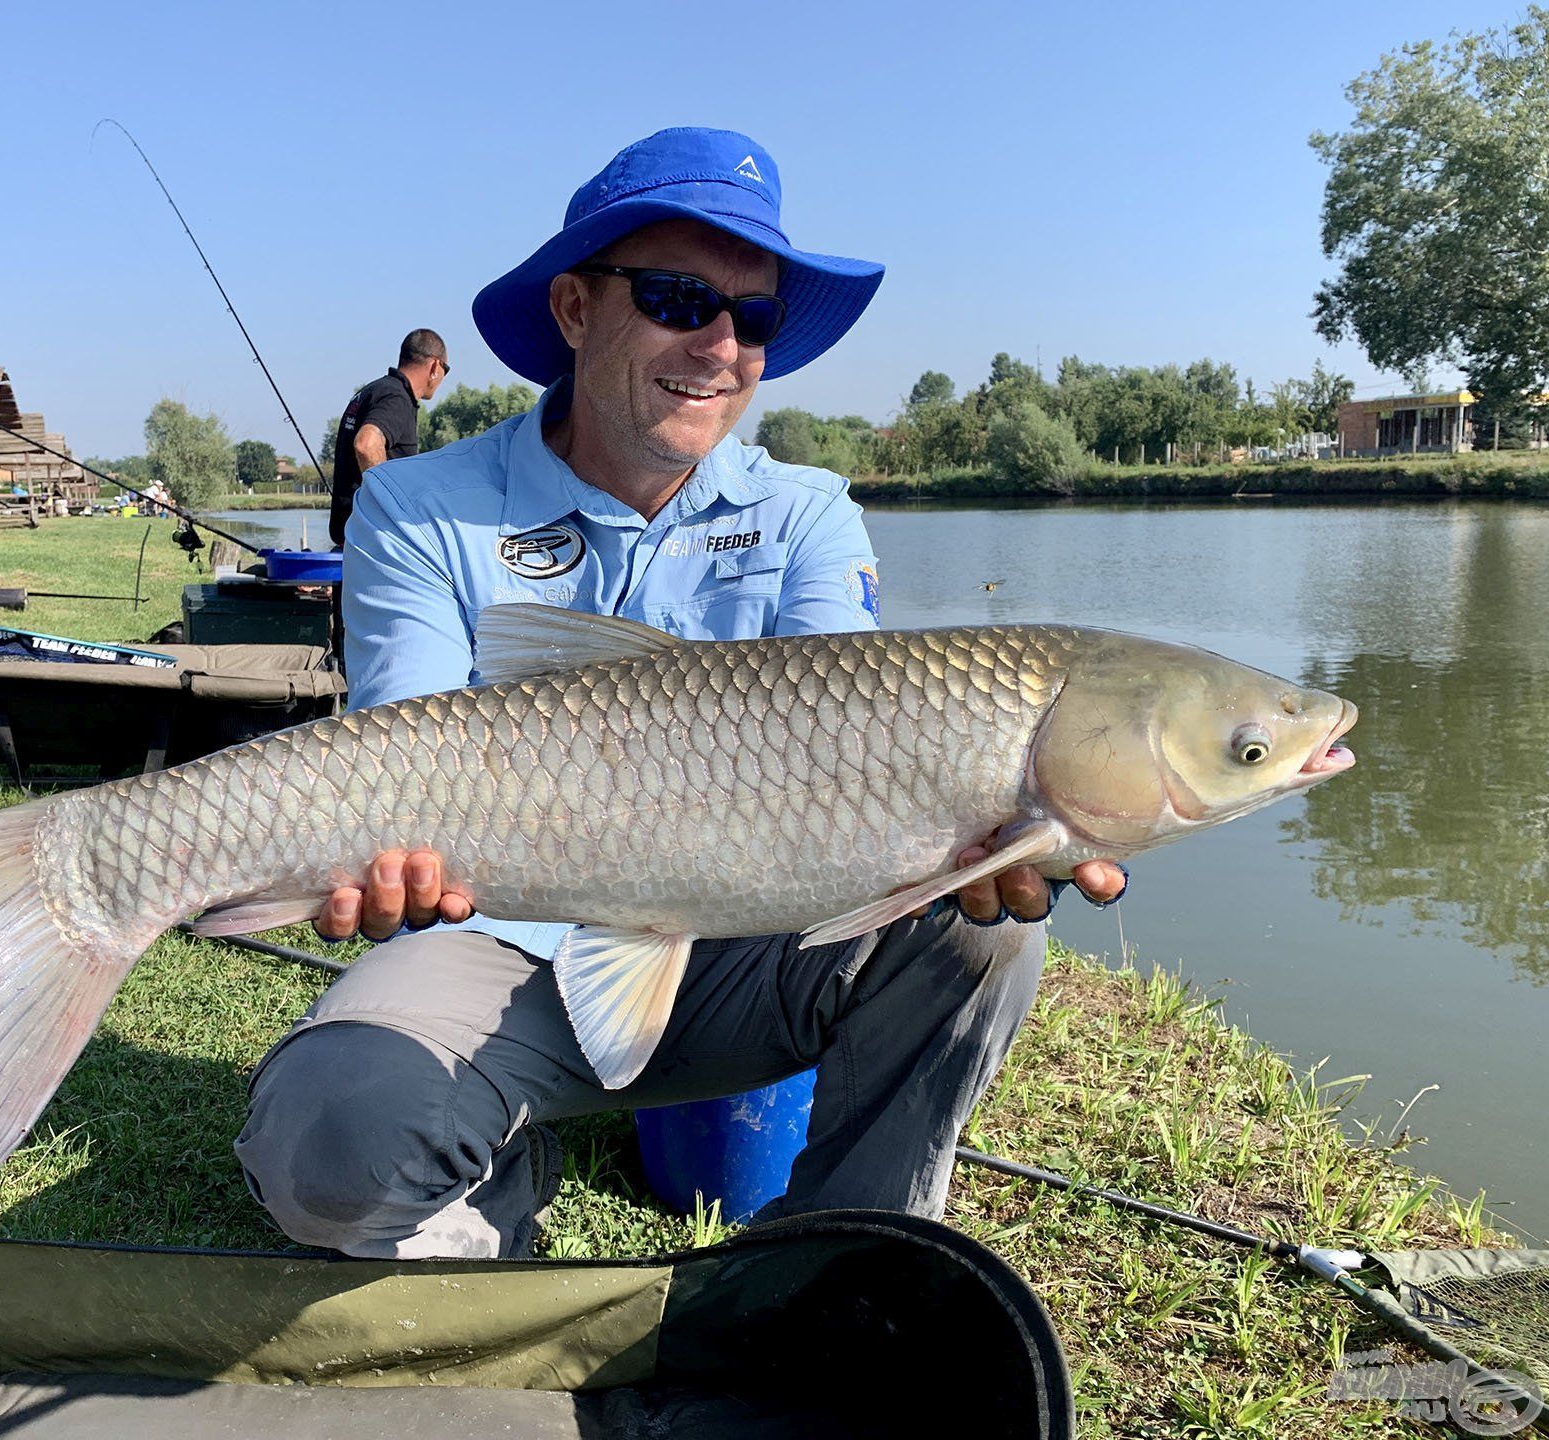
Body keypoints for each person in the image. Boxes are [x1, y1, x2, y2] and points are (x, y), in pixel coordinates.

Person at [237, 128, 1126, 1259]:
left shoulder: (808, 513)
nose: (719, 345)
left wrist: (1015, 828)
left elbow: (863, 738)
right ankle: (507, 1176)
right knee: (329, 1157)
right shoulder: (417, 506)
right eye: (676, 298)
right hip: (498, 929)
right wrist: (379, 858)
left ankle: (845, 1266)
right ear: (572, 309)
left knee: (981, 935)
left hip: (745, 936)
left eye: (752, 318)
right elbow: (390, 750)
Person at [327, 329, 451, 548]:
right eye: (446, 370)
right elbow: (366, 444)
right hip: (373, 539)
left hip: (352, 534)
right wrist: (390, 508)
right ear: (434, 367)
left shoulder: (373, 391)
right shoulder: (397, 397)